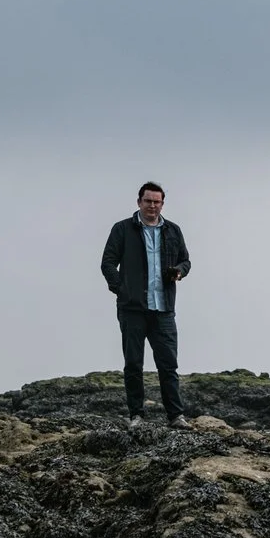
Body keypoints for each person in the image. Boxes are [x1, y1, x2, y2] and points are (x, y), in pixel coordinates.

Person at [100, 182, 191, 429]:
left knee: (168, 365)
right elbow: (108, 263)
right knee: (133, 364)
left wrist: (179, 272)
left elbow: (186, 261)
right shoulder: (122, 229)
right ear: (139, 202)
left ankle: (176, 416)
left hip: (163, 309)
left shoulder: (173, 231)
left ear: (162, 204)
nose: (152, 206)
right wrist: (121, 289)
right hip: (132, 309)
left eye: (157, 202)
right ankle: (136, 416)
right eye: (148, 201)